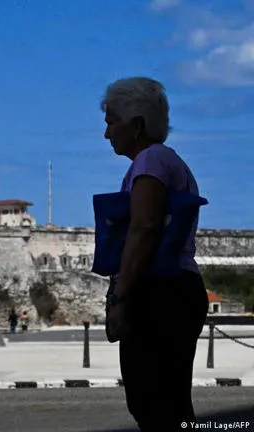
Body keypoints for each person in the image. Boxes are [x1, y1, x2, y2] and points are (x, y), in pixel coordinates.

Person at [100, 77, 209, 431]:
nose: (107, 133)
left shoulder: (151, 162)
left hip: (160, 292)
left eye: (111, 121)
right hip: (177, 289)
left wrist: (120, 297)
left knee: (154, 404)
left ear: (136, 125)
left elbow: (143, 228)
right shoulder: (164, 161)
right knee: (169, 402)